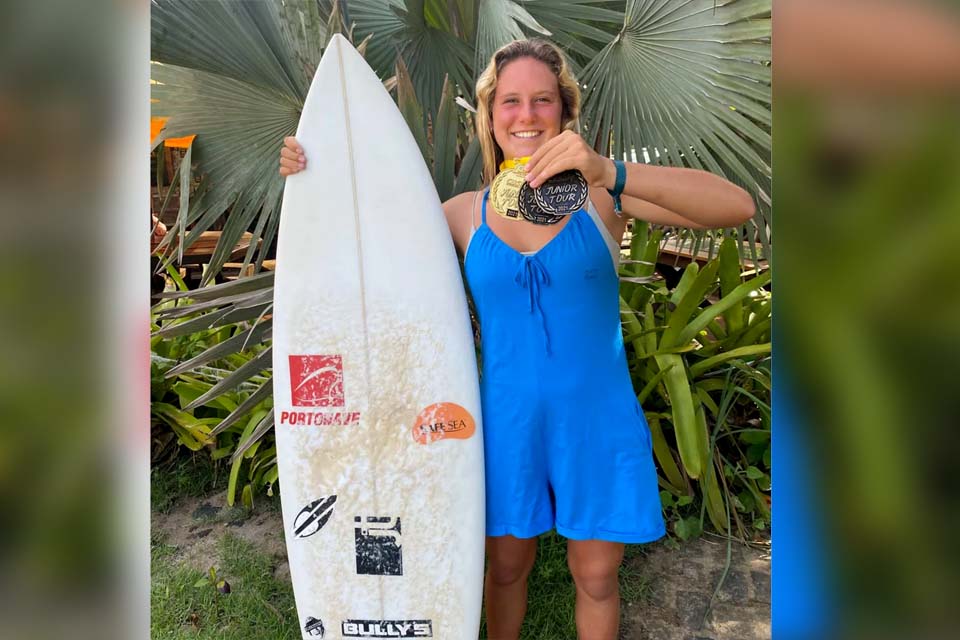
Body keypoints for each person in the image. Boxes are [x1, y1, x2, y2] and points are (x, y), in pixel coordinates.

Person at [279, 38, 754, 640]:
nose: (526, 115)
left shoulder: (603, 199)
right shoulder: (462, 214)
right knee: (504, 569)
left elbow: (735, 206)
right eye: (510, 101)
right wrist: (313, 172)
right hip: (503, 423)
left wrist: (608, 170)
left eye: (542, 100)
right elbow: (365, 246)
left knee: (596, 577)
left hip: (595, 419)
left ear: (564, 111)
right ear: (490, 114)